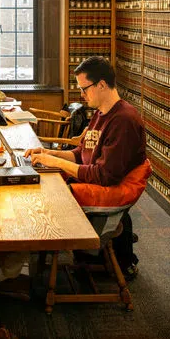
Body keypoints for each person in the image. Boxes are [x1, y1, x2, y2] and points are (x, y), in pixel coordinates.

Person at [26, 56, 147, 277]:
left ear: (101, 84)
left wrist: (55, 162)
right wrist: (47, 153)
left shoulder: (124, 121)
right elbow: (80, 154)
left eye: (85, 89)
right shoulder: (100, 113)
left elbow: (103, 176)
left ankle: (18, 261)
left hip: (108, 192)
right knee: (36, 184)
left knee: (42, 196)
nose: (82, 95)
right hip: (93, 182)